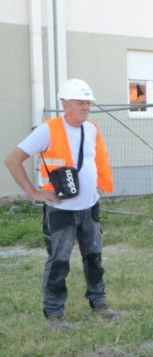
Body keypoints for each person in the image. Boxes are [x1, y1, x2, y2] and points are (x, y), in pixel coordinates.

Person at [4, 78, 118, 331]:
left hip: (89, 208)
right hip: (61, 211)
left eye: (88, 103)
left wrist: (101, 185)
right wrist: (33, 193)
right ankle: (54, 314)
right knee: (59, 261)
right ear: (65, 105)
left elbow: (99, 159)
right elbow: (12, 160)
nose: (86, 107)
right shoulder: (48, 130)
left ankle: (99, 304)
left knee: (94, 258)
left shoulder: (92, 129)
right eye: (79, 102)